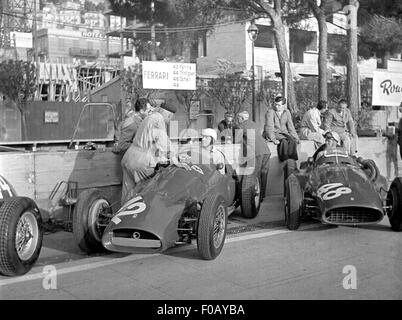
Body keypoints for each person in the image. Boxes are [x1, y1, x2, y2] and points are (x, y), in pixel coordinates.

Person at [120, 102, 189, 203]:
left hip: (128, 158)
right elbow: (163, 142)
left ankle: (122, 216)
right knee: (145, 195)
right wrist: (175, 161)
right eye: (170, 118)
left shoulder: (149, 118)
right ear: (169, 115)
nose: (169, 121)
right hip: (140, 163)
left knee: (127, 194)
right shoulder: (159, 120)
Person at [236, 110, 271, 201]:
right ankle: (262, 196)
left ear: (242, 118)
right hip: (266, 150)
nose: (237, 120)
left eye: (238, 118)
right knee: (264, 174)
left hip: (257, 152)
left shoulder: (241, 125)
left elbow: (237, 141)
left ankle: (256, 197)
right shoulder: (254, 124)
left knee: (255, 174)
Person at [263, 94, 300, 161]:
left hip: (283, 133)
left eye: (279, 105)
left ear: (283, 105)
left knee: (293, 142)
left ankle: (291, 161)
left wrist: (296, 138)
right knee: (284, 142)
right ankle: (284, 160)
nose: (277, 107)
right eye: (276, 104)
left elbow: (290, 126)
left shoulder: (287, 112)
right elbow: (269, 127)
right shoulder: (270, 112)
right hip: (274, 133)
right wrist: (273, 139)